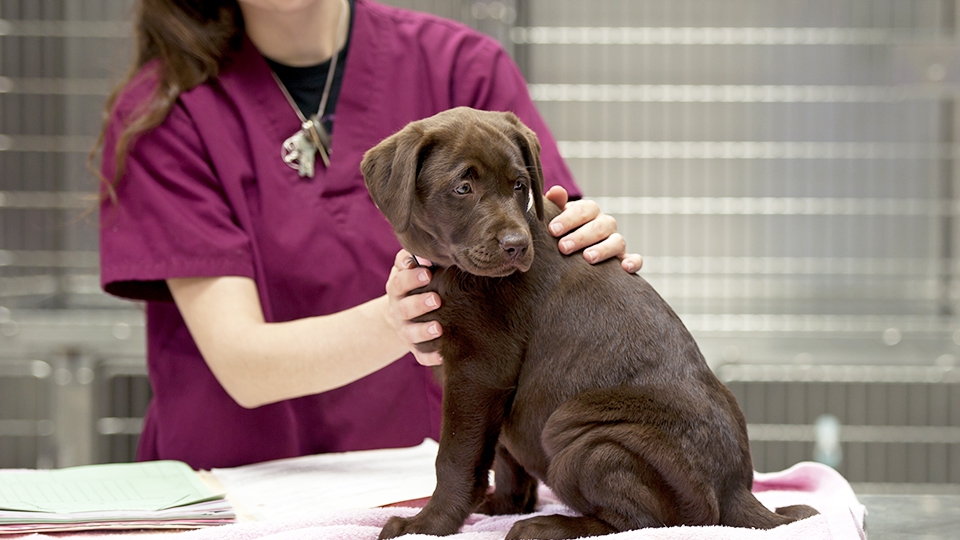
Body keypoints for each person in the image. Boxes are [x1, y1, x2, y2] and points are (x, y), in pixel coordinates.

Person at [96, 0, 643, 471]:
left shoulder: (461, 66)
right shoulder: (166, 111)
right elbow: (243, 364)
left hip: (435, 482)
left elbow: (539, 243)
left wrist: (584, 251)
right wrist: (401, 318)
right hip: (244, 490)